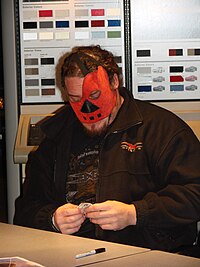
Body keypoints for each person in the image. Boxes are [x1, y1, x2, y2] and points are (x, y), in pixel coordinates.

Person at [14, 45, 200, 252]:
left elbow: (194, 193)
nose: (88, 110)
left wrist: (135, 214)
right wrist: (52, 219)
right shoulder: (57, 135)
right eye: (75, 99)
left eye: (94, 96)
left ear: (114, 82)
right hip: (71, 252)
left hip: (145, 253)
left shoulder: (161, 129)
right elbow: (25, 208)